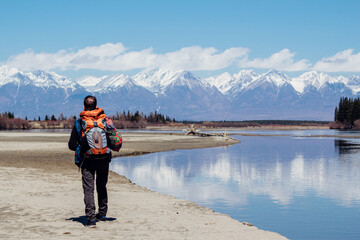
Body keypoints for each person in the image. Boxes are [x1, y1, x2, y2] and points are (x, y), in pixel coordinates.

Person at [68, 95, 112, 228]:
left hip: (87, 159)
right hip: (104, 158)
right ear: (97, 106)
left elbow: (71, 145)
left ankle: (91, 218)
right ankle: (103, 214)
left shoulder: (79, 123)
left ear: (83, 107)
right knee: (101, 186)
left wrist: (83, 147)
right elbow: (111, 140)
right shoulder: (105, 120)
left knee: (89, 189)